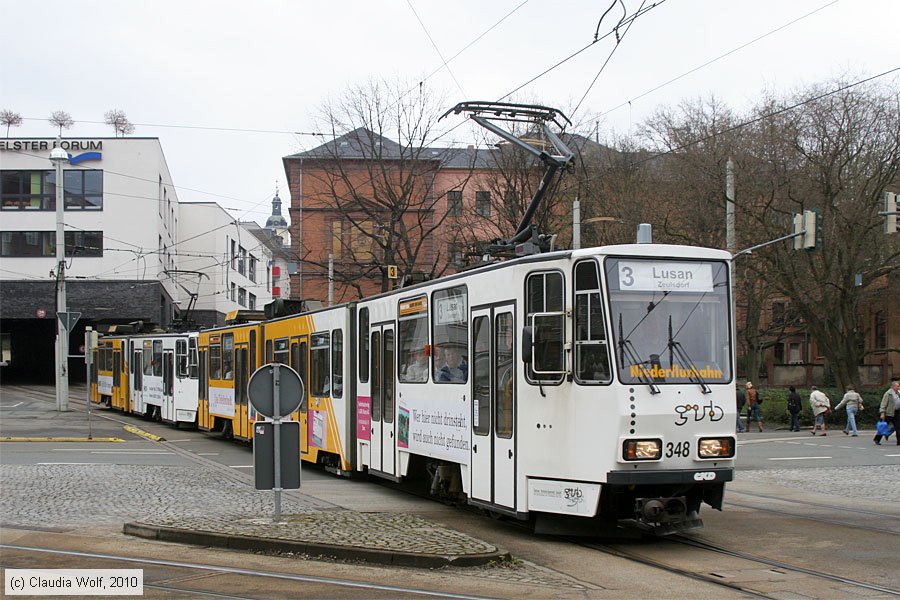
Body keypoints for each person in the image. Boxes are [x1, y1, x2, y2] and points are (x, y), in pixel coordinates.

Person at [873, 380, 899, 446]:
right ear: (893, 386)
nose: (898, 387)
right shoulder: (888, 394)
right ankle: (877, 439)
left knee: (898, 427)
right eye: (897, 386)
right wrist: (882, 412)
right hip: (888, 413)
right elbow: (883, 404)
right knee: (883, 427)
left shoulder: (898, 393)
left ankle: (899, 441)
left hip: (897, 412)